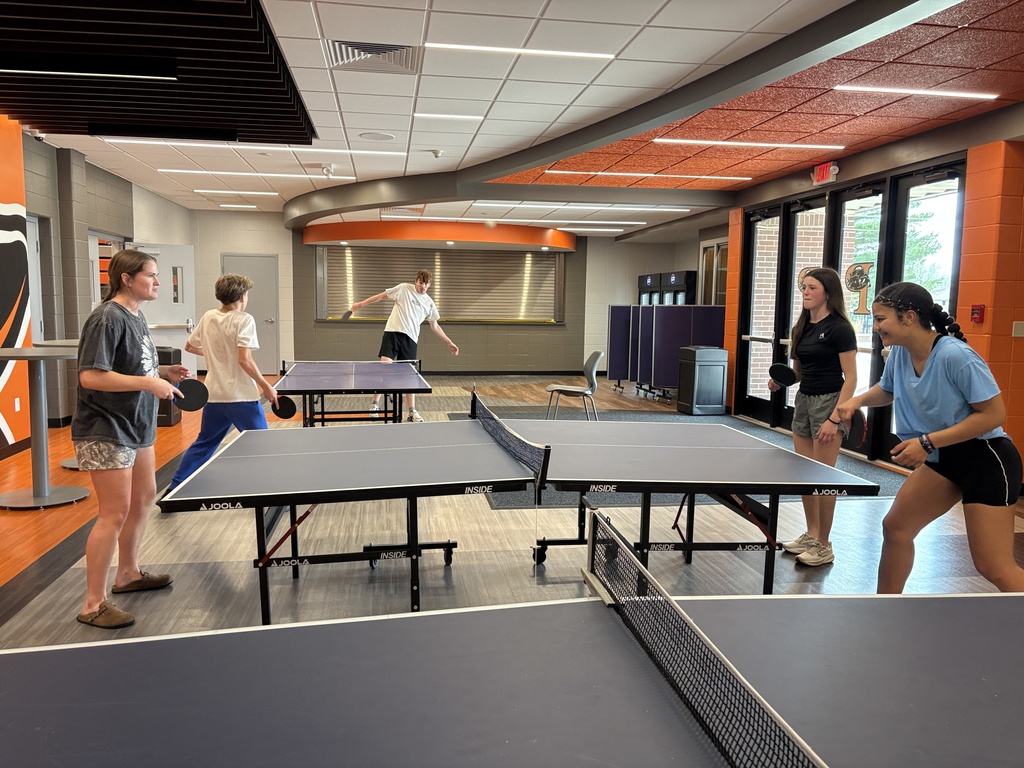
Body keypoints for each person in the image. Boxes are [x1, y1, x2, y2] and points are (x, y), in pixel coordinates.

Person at [837, 281, 1024, 593]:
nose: (877, 327)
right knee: (896, 528)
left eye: (882, 319)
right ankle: (885, 606)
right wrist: (856, 401)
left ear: (909, 317)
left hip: (987, 459)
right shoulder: (899, 353)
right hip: (945, 458)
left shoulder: (956, 356)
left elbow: (994, 415)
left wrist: (927, 442)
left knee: (994, 567)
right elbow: (887, 389)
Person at [73, 249, 191, 629]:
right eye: (151, 276)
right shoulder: (107, 317)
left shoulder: (136, 316)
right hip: (106, 428)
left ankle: (127, 574)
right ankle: (93, 603)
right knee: (114, 512)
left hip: (137, 425)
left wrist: (163, 371)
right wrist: (148, 381)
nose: (158, 282)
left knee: (143, 500)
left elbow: (135, 363)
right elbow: (91, 376)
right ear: (126, 278)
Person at [769, 267, 858, 567]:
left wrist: (836, 418)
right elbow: (798, 371)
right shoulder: (803, 327)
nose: (805, 292)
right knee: (806, 476)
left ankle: (824, 544)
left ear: (828, 292)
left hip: (829, 403)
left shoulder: (839, 328)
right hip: (804, 401)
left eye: (811, 288)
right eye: (804, 288)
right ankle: (811, 534)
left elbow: (852, 378)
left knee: (823, 478)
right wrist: (781, 380)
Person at [165, 274, 279, 493]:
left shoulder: (209, 316)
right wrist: (266, 385)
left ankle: (175, 489)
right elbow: (244, 359)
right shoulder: (244, 319)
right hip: (241, 396)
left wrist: (215, 355)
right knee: (263, 446)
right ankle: (273, 494)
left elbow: (190, 346)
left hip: (214, 395)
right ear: (242, 296)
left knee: (204, 443)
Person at [350, 270, 459, 422]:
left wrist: (449, 342)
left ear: (429, 285)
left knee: (409, 376)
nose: (423, 286)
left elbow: (435, 326)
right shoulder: (403, 289)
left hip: (411, 339)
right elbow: (381, 296)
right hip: (392, 333)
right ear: (416, 281)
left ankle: (411, 411)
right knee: (384, 369)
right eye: (421, 283)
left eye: (426, 284)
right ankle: (375, 404)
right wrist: (360, 304)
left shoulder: (429, 303)